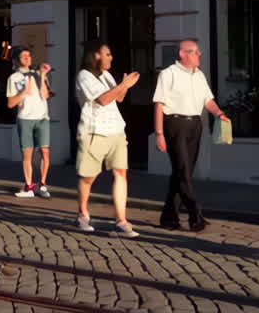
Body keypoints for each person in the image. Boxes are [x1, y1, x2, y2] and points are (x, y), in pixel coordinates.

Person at [153, 38, 230, 232]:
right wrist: (159, 133)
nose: (199, 55)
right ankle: (196, 213)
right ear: (182, 53)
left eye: (198, 51)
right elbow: (159, 104)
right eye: (195, 51)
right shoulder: (168, 74)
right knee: (183, 171)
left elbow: (207, 100)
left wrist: (219, 113)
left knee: (182, 172)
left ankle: (168, 217)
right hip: (175, 124)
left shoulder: (199, 75)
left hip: (195, 124)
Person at [75, 40, 140, 238]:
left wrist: (125, 86)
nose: (111, 58)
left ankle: (121, 220)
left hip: (116, 130)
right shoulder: (84, 76)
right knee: (89, 177)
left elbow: (118, 98)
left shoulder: (106, 75)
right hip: (94, 131)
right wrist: (124, 85)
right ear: (96, 55)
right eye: (107, 54)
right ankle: (83, 213)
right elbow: (102, 100)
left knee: (121, 173)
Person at [6, 47, 53, 199]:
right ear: (16, 60)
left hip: (42, 118)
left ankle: (42, 184)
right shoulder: (14, 78)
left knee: (45, 151)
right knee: (28, 154)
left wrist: (43, 76)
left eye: (29, 55)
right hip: (25, 118)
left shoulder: (38, 74)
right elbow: (11, 103)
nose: (27, 58)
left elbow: (46, 95)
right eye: (23, 56)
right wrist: (24, 92)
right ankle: (29, 185)